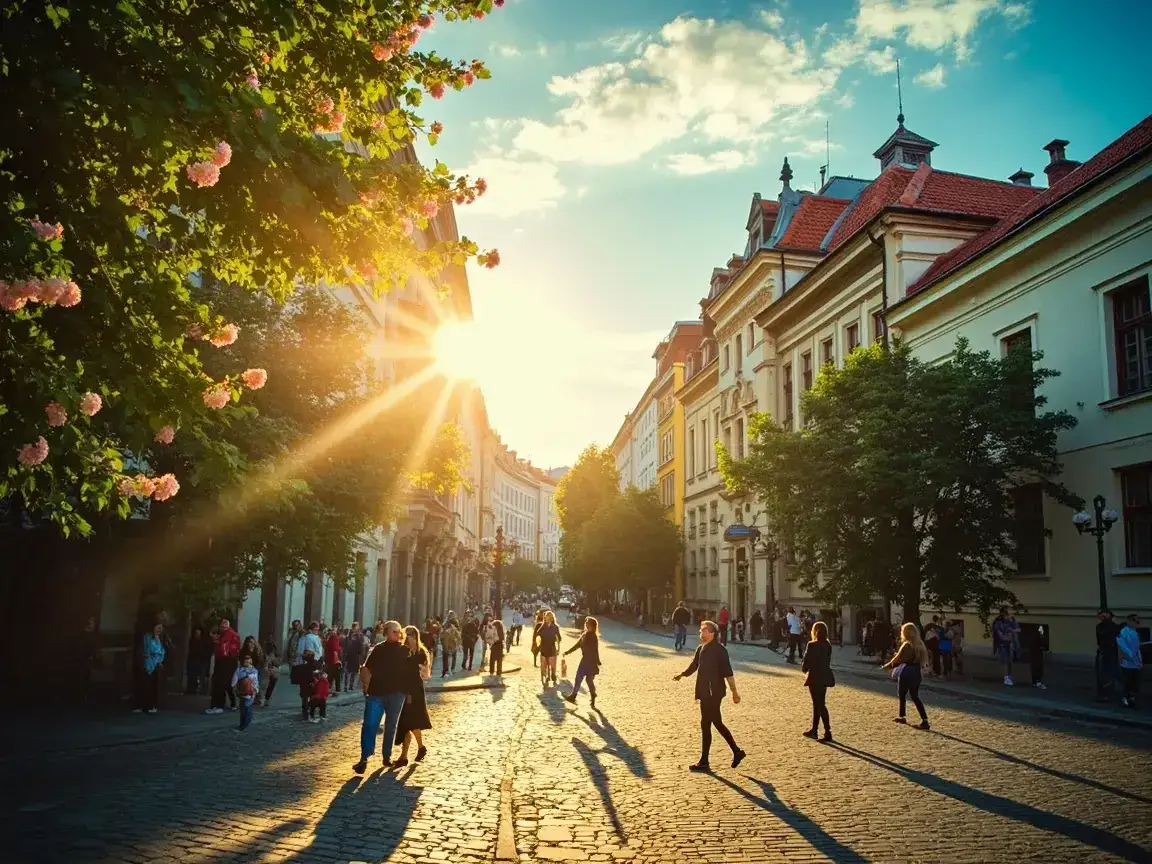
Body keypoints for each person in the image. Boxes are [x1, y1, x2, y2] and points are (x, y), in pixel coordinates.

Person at [674, 620, 745, 773]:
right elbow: (694, 665)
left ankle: (711, 759)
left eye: (704, 630)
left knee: (711, 723)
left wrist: (735, 692)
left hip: (714, 693)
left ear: (712, 633)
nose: (701, 632)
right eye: (701, 630)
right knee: (710, 723)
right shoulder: (701, 648)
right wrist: (682, 674)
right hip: (704, 692)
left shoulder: (720, 650)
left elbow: (728, 673)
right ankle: (731, 753)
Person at [354, 621, 409, 775]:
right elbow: (366, 668)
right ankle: (364, 758)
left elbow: (411, 671)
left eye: (399, 632)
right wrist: (365, 685)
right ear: (386, 633)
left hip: (397, 693)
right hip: (376, 692)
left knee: (391, 726)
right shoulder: (379, 649)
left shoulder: (405, 650)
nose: (398, 634)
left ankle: (387, 756)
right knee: (369, 724)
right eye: (394, 632)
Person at [394, 626, 433, 768]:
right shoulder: (404, 651)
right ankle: (405, 756)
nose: (407, 638)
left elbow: (423, 674)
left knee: (412, 723)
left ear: (415, 636)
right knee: (405, 724)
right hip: (404, 690)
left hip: (415, 690)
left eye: (410, 635)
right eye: (406, 635)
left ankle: (416, 750)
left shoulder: (421, 653)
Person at [882, 622, 930, 730]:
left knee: (902, 694)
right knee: (915, 696)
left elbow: (898, 659)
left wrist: (887, 667)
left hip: (907, 671)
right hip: (916, 672)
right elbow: (924, 661)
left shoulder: (907, 645)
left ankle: (902, 716)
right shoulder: (920, 644)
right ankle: (925, 720)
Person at [801, 620, 834, 741]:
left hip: (814, 677)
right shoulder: (828, 645)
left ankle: (827, 732)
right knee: (820, 704)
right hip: (824, 676)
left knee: (818, 704)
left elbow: (806, 663)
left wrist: (804, 667)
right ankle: (815, 729)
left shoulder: (811, 645)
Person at [563, 616, 602, 708]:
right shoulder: (585, 634)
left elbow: (595, 650)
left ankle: (586, 695)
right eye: (586, 622)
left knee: (585, 679)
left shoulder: (593, 636)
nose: (586, 624)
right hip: (585, 660)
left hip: (590, 661)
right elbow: (577, 645)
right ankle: (581, 695)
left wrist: (597, 661)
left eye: (588, 622)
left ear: (592, 625)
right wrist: (568, 652)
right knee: (583, 679)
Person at [206, 617, 240, 715]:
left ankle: (219, 705)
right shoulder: (224, 635)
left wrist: (219, 642)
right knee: (220, 683)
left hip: (227, 661)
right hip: (222, 661)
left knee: (221, 683)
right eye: (222, 624)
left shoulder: (231, 635)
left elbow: (229, 650)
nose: (223, 626)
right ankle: (217, 705)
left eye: (225, 624)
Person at [134, 623, 166, 714]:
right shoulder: (147, 637)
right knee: (144, 685)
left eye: (161, 628)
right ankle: (142, 705)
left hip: (157, 663)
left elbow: (162, 651)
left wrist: (160, 660)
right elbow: (145, 649)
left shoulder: (161, 639)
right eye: (157, 627)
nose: (159, 630)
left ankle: (152, 705)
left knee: (153, 686)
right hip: (147, 662)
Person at [1118, 613, 1143, 709]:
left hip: (1135, 663)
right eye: (1134, 620)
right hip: (1126, 663)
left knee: (1135, 683)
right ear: (1129, 621)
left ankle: (1132, 699)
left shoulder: (1135, 633)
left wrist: (1140, 660)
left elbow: (1137, 648)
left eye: (1137, 621)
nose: (1137, 623)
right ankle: (1126, 699)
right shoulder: (1123, 632)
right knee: (1128, 682)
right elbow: (1122, 647)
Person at [1096, 609, 1120, 702]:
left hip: (1110, 652)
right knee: (1102, 673)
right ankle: (1104, 693)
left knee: (1107, 673)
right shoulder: (1099, 627)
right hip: (1104, 651)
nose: (1102, 616)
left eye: (1104, 614)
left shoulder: (1113, 627)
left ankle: (1106, 694)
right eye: (1100, 615)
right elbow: (1099, 640)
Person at [231, 653, 260, 731]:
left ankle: (244, 724)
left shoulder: (242, 670)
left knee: (245, 708)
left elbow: (234, 680)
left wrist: (234, 688)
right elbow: (256, 682)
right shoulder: (252, 670)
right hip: (246, 692)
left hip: (247, 692)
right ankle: (245, 722)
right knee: (246, 708)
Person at [991, 607, 1016, 686]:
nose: (1007, 615)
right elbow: (998, 634)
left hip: (1008, 643)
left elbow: (1015, 629)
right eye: (1006, 614)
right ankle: (1006, 678)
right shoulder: (998, 622)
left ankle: (1009, 676)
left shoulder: (1009, 621)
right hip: (1002, 644)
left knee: (1009, 661)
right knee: (1005, 661)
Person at [294, 649, 321, 721]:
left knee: (304, 697)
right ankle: (310, 711)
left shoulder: (302, 664)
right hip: (312, 682)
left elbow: (296, 671)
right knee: (311, 696)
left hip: (304, 682)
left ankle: (305, 712)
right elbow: (318, 672)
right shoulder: (315, 663)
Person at [536, 610, 561, 687]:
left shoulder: (555, 627)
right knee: (544, 664)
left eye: (548, 617)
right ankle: (546, 676)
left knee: (552, 664)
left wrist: (558, 648)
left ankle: (553, 675)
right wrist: (538, 644)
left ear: (551, 618)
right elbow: (538, 635)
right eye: (545, 617)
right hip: (543, 647)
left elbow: (559, 638)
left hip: (552, 647)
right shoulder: (543, 626)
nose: (546, 619)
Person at [261, 635, 280, 706]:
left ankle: (265, 699)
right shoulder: (264, 650)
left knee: (269, 685)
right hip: (268, 671)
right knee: (266, 686)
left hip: (272, 671)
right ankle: (264, 699)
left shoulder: (273, 649)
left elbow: (277, 662)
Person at [323, 627, 342, 693]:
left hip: (331, 660)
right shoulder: (333, 638)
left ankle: (331, 689)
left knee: (331, 675)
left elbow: (334, 648)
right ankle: (334, 690)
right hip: (333, 660)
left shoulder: (332, 638)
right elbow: (335, 649)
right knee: (333, 675)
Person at [1028, 624, 1048, 690]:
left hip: (1037, 654)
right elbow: (1042, 644)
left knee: (1036, 667)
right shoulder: (1037, 637)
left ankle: (1035, 682)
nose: (1042, 630)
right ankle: (1037, 682)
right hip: (1037, 654)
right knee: (1037, 667)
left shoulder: (1037, 636)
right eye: (1040, 629)